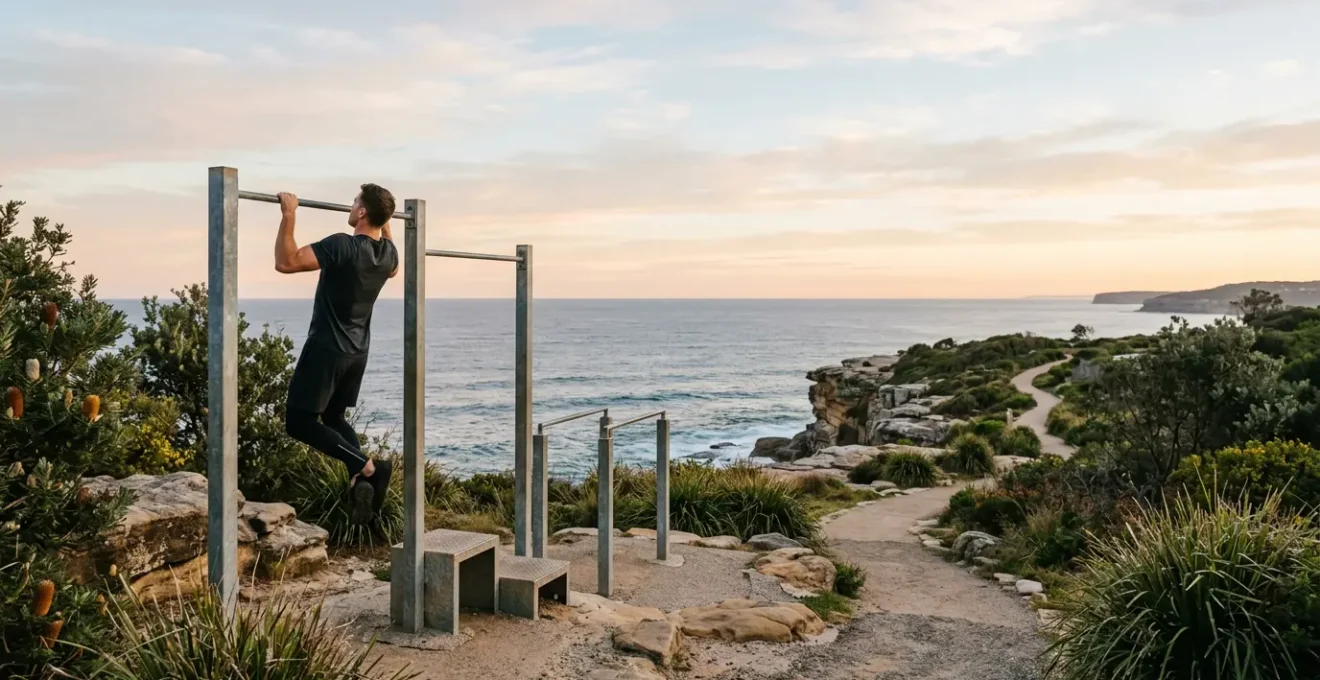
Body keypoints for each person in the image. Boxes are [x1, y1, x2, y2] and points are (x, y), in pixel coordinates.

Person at [275, 185, 399, 524]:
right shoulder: (389, 255)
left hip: (327, 349)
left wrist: (289, 214)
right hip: (357, 353)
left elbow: (286, 263)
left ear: (361, 213)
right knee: (333, 419)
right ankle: (363, 476)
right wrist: (385, 222)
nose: (352, 204)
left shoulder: (343, 245)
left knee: (298, 422)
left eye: (356, 201)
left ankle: (368, 468)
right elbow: (391, 264)